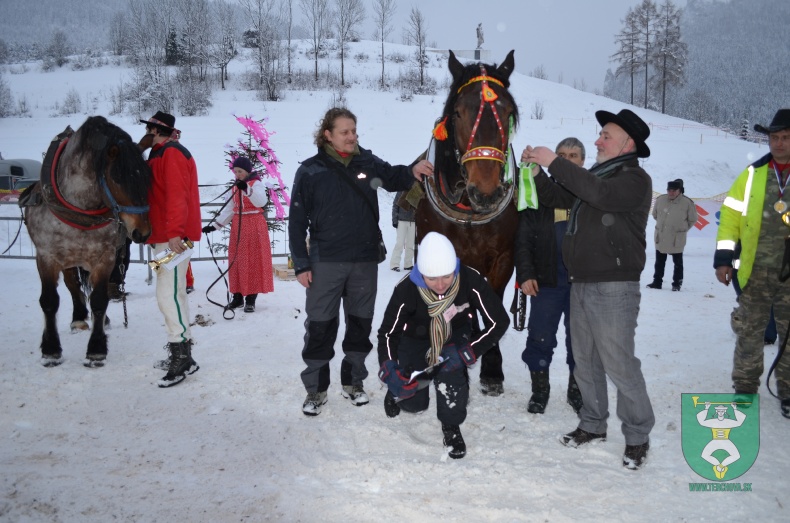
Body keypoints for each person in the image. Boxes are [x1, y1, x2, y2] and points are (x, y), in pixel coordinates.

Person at [521, 108, 655, 470]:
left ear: (628, 143)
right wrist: (536, 172)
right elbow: (563, 197)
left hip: (614, 287)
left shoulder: (632, 179)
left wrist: (554, 161)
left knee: (620, 364)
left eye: (605, 136)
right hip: (581, 283)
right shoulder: (598, 175)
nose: (597, 140)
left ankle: (638, 435)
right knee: (586, 361)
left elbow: (597, 194)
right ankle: (593, 424)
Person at [289, 107, 434, 416]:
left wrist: (414, 169)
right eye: (345, 131)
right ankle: (316, 389)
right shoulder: (310, 170)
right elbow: (297, 221)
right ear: (327, 134)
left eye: (354, 130)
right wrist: (301, 263)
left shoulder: (367, 162)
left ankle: (354, 382)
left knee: (360, 324)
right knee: (319, 327)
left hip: (364, 261)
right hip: (325, 261)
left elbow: (396, 176)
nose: (352, 136)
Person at [377, 232, 509, 458]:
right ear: (421, 273)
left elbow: (499, 322)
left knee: (452, 374)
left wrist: (472, 350)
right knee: (414, 404)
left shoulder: (469, 279)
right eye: (432, 278)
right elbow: (388, 334)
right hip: (415, 338)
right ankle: (396, 392)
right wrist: (389, 367)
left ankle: (451, 426)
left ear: (455, 269)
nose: (440, 285)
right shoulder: (406, 289)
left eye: (447, 277)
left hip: (453, 335)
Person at [714, 108, 790, 419]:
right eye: (775, 137)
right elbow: (730, 218)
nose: (779, 143)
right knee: (749, 332)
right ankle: (745, 387)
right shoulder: (752, 174)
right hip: (755, 270)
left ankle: (787, 390)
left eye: (785, 137)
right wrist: (723, 258)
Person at [514, 137, 585, 415]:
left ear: (582, 161)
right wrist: (526, 273)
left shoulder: (590, 190)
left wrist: (536, 173)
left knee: (580, 341)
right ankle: (540, 390)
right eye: (562, 154)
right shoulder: (535, 192)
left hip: (583, 284)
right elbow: (523, 238)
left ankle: (576, 390)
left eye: (574, 155)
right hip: (547, 281)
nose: (567, 159)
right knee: (540, 338)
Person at [140, 111, 202, 388]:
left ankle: (181, 355)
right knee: (173, 293)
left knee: (168, 295)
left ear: (156, 130)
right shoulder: (159, 154)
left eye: (149, 129)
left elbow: (178, 194)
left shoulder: (172, 154)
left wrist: (177, 231)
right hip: (164, 235)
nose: (146, 133)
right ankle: (183, 352)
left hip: (172, 237)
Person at [202, 156, 274, 313]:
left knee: (253, 261)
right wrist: (215, 226)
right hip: (239, 227)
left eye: (240, 171)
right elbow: (230, 208)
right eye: (235, 172)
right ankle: (237, 297)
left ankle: (251, 299)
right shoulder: (236, 187)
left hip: (255, 226)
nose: (237, 175)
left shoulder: (256, 184)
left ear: (247, 171)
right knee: (237, 261)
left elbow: (261, 202)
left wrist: (247, 189)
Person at [647, 178, 698, 291]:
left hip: (677, 238)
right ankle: (657, 282)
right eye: (669, 190)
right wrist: (663, 225)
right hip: (662, 236)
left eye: (674, 190)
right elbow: (655, 214)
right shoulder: (660, 200)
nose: (671, 192)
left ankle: (676, 284)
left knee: (678, 263)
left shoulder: (687, 203)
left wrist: (682, 229)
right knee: (659, 262)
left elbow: (693, 219)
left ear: (679, 191)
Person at [390, 191, 416, 272]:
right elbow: (395, 205)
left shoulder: (417, 191)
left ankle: (408, 264)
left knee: (410, 244)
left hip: (413, 222)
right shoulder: (401, 191)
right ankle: (394, 264)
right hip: (401, 221)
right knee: (400, 243)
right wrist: (395, 220)